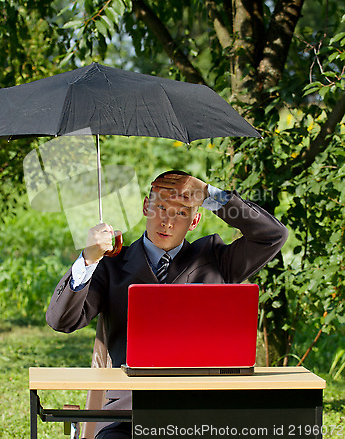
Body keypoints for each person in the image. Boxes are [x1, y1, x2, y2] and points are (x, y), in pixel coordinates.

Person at [46, 171, 288, 439]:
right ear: (145, 208)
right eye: (160, 207)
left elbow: (273, 235)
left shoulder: (216, 259)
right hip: (127, 416)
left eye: (181, 213)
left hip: (202, 414)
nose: (167, 221)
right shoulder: (112, 265)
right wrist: (89, 259)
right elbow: (61, 320)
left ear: (195, 220)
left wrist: (210, 195)